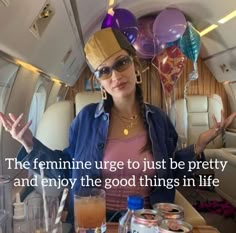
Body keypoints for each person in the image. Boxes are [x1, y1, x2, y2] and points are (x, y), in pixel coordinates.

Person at [1, 28, 236, 223]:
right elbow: (67, 170)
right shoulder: (86, 120)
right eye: (104, 71)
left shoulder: (159, 120)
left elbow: (170, 173)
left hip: (145, 220)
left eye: (121, 63)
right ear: (100, 82)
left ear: (135, 65)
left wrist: (199, 146)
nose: (115, 75)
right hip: (93, 221)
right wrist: (30, 144)